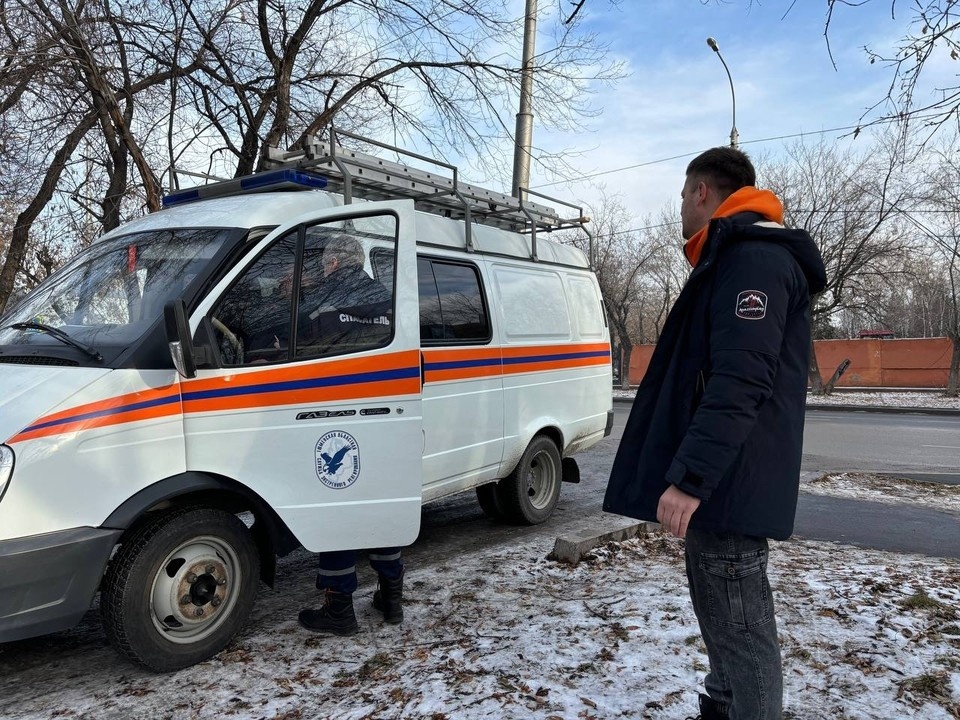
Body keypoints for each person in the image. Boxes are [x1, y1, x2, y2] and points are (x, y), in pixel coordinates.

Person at [603, 147, 826, 720]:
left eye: (682, 196)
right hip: (724, 483)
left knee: (743, 632)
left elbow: (740, 381)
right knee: (725, 624)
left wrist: (693, 477)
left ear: (702, 192)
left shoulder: (752, 260)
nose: (679, 207)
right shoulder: (734, 257)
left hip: (729, 483)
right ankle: (723, 707)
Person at [297, 233, 404, 635]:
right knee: (380, 508)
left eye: (326, 264)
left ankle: (339, 607)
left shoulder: (323, 298)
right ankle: (391, 597)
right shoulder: (387, 299)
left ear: (335, 264)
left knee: (339, 511)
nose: (324, 270)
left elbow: (295, 349)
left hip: (335, 419)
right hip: (384, 420)